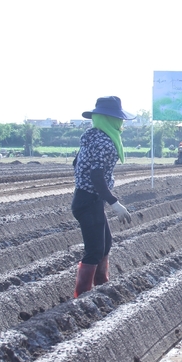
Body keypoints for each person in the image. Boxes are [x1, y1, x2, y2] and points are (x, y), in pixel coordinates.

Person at [71, 96, 135, 298]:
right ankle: (83, 295)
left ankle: (100, 286)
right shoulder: (106, 143)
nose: (121, 123)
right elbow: (96, 176)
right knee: (95, 250)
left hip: (87, 198)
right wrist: (114, 203)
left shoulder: (91, 136)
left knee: (105, 244)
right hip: (88, 200)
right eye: (119, 119)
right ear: (111, 120)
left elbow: (76, 163)